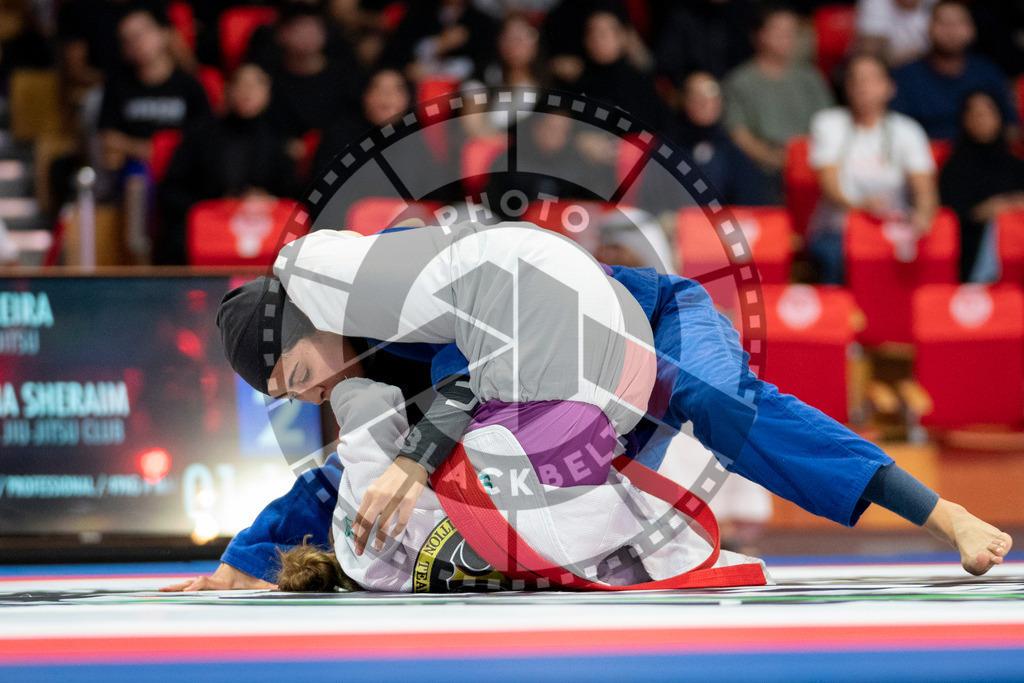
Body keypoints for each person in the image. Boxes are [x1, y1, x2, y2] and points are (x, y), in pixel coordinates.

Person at [165, 220, 1013, 592]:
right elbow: (342, 479)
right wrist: (247, 553)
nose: (307, 391)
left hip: (643, 319)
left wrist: (413, 456)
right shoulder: (363, 375)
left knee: (719, 402)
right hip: (562, 401)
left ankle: (941, 513)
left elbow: (488, 358)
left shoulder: (391, 279)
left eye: (297, 369)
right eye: (286, 394)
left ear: (313, 322)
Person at [807, 53, 938, 284]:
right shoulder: (828, 123)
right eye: (856, 80)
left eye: (871, 79)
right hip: (840, 229)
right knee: (836, 254)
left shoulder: (907, 130)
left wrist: (924, 215)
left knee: (931, 248)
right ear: (847, 88)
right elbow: (830, 187)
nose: (862, 87)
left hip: (893, 229)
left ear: (889, 87)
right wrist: (862, 207)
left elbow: (924, 186)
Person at [154, 63, 297, 265]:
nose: (248, 90)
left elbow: (292, 197)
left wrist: (267, 202)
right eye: (241, 83)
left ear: (269, 94)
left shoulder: (278, 140)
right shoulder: (200, 134)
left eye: (257, 84)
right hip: (206, 233)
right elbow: (170, 191)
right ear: (228, 89)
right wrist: (214, 207)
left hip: (263, 233)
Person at [722, 5, 833, 203]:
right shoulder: (740, 80)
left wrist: (803, 159)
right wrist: (774, 159)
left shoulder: (811, 79)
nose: (786, 36)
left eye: (792, 31)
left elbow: (827, 125)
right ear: (758, 35)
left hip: (809, 164)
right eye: (778, 30)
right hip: (760, 167)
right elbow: (738, 133)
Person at [891, 0, 1018, 140]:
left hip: (982, 155)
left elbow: (1011, 127)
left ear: (972, 29)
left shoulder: (988, 72)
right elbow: (897, 131)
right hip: (925, 155)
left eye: (958, 23)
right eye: (943, 23)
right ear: (928, 28)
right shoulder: (906, 76)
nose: (951, 30)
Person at [940, 91, 1024, 282]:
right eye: (974, 113)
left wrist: (1010, 205)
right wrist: (993, 208)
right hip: (972, 248)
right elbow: (952, 215)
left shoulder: (1017, 166)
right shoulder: (954, 168)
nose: (981, 119)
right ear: (964, 120)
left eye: (987, 112)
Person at [670, 71, 770, 207]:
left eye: (711, 94)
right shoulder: (668, 148)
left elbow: (752, 203)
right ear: (684, 100)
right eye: (696, 95)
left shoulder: (733, 152)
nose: (704, 101)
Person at [569, 10, 670, 133]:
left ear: (622, 37)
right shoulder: (575, 81)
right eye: (592, 31)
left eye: (604, 33)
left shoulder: (638, 81)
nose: (597, 38)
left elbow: (648, 132)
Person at [855, 0, 937, 67]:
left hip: (932, 70)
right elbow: (871, 55)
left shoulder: (936, 4)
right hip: (889, 72)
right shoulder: (875, 3)